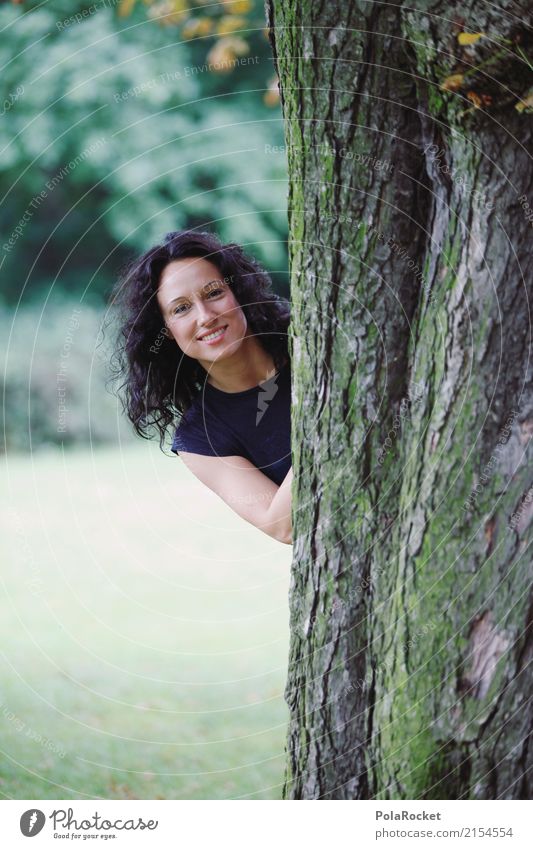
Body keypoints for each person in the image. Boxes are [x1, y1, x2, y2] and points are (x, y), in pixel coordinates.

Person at [110, 230, 293, 545]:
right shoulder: (200, 438)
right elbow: (282, 525)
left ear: (238, 293)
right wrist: (323, 419)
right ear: (166, 330)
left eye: (214, 293)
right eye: (181, 309)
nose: (206, 316)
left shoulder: (308, 340)